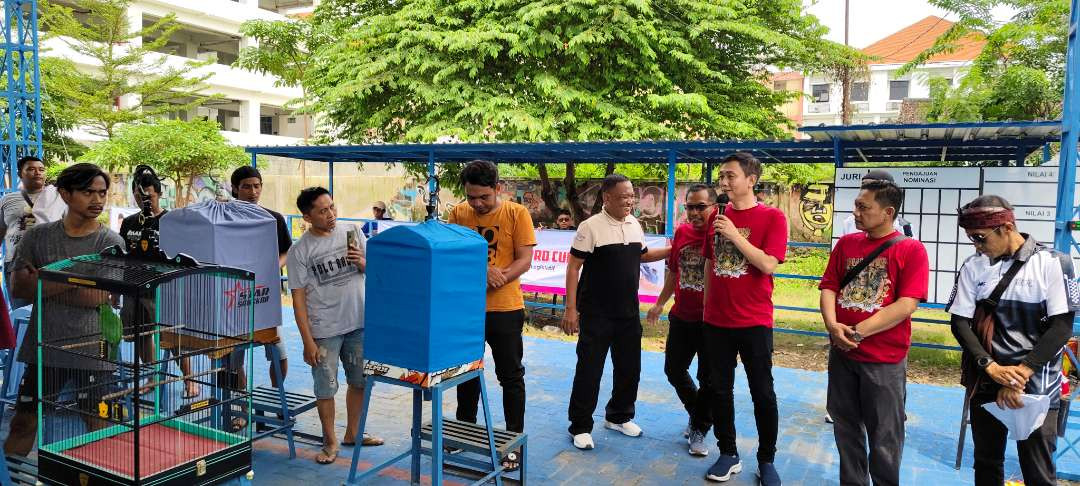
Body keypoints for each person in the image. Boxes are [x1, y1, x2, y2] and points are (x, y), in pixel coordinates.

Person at [947, 195, 1077, 486]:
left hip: (1037, 386)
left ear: (1006, 226)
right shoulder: (973, 265)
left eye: (980, 238)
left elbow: (1061, 327)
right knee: (986, 464)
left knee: (1038, 469)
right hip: (987, 379)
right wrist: (990, 368)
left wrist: (1021, 375)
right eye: (971, 239)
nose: (977, 246)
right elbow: (960, 323)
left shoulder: (1053, 263)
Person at [3, 163, 124, 456]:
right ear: (65, 194)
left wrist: (45, 278)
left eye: (102, 193)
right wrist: (79, 282)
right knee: (23, 422)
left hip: (95, 350)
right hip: (44, 346)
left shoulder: (110, 243)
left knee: (100, 426)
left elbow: (101, 298)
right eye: (87, 193)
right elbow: (19, 288)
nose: (97, 200)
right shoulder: (38, 237)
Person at [819, 178, 929, 486]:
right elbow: (828, 287)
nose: (856, 212)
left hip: (884, 361)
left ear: (888, 212)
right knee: (845, 427)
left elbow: (907, 304)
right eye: (856, 205)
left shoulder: (911, 250)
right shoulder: (846, 244)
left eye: (863, 207)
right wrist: (832, 325)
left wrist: (855, 332)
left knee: (885, 437)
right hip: (842, 355)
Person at [561, 173, 670, 450]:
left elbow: (642, 256)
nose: (630, 201)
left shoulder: (634, 223)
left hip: (628, 313)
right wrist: (570, 309)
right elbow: (574, 267)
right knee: (589, 370)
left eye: (632, 196)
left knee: (629, 368)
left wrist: (673, 249)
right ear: (607, 198)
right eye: (624, 197)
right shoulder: (590, 227)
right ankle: (581, 426)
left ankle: (619, 416)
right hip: (596, 313)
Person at [701, 152, 787, 485]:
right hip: (716, 323)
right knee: (719, 390)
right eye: (721, 176)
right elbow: (710, 264)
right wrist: (707, 310)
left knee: (762, 393)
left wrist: (736, 235)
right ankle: (728, 452)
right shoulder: (715, 218)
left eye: (730, 176)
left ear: (751, 180)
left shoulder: (773, 218)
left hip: (754, 321)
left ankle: (767, 459)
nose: (723, 182)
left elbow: (768, 265)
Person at [448, 160, 536, 471]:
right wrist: (482, 270)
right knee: (466, 372)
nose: (477, 204)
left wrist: (501, 276)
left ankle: (513, 442)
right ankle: (464, 431)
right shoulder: (458, 213)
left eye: (484, 197)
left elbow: (525, 259)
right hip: (467, 309)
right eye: (471, 197)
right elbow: (453, 255)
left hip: (506, 309)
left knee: (510, 377)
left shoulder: (516, 213)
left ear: (498, 189)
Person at [286, 187, 383, 464]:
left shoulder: (352, 231)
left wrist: (363, 262)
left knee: (360, 381)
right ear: (307, 216)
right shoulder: (300, 251)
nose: (331, 214)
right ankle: (330, 441)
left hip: (358, 322)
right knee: (325, 388)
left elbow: (374, 270)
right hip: (324, 329)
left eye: (332, 207)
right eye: (322, 210)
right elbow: (298, 299)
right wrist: (308, 342)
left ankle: (353, 432)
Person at [118, 167, 201, 399]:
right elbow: (123, 256)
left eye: (148, 196)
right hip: (133, 287)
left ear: (159, 194)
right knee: (139, 335)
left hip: (163, 289)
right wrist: (117, 290)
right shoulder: (129, 222)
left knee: (171, 336)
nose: (143, 200)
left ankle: (189, 380)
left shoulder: (171, 221)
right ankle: (154, 375)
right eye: (138, 195)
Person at [646, 183, 714, 457]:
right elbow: (674, 271)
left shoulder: (720, 233)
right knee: (673, 370)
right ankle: (698, 413)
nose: (695, 212)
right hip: (682, 317)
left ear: (714, 206)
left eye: (701, 207)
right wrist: (660, 303)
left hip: (711, 321)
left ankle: (699, 428)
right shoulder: (682, 232)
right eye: (690, 207)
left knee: (708, 378)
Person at [230, 166, 292, 388]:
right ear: (235, 189)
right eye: (247, 186)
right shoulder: (225, 219)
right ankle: (239, 403)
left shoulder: (274, 219)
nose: (253, 191)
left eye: (257, 186)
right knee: (233, 356)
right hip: (234, 297)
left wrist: (274, 267)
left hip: (266, 299)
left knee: (278, 351)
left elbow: (287, 250)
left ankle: (277, 396)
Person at [0, 155, 47, 307]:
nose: (37, 173)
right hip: (16, 264)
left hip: (49, 263)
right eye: (31, 169)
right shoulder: (7, 200)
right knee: (22, 312)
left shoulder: (58, 198)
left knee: (50, 311)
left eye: (41, 169)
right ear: (20, 174)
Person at [840, 170, 915, 238]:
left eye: (873, 185)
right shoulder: (849, 223)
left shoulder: (904, 226)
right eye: (863, 185)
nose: (866, 189)